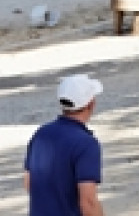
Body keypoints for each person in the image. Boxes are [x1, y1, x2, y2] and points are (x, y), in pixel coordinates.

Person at [24, 74, 104, 216]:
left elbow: (29, 182)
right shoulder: (86, 144)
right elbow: (88, 202)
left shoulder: (41, 134)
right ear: (91, 103)